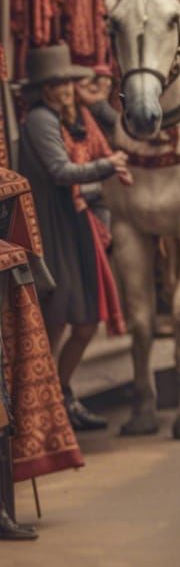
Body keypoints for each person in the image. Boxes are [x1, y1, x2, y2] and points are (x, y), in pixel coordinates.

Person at [18, 44, 132, 432]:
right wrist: (108, 166)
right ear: (43, 89)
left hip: (74, 221)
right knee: (60, 318)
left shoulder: (69, 117)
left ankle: (60, 394)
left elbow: (106, 135)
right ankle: (47, 406)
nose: (65, 89)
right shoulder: (40, 119)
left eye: (67, 82)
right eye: (56, 83)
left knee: (85, 321)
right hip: (54, 225)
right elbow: (59, 170)